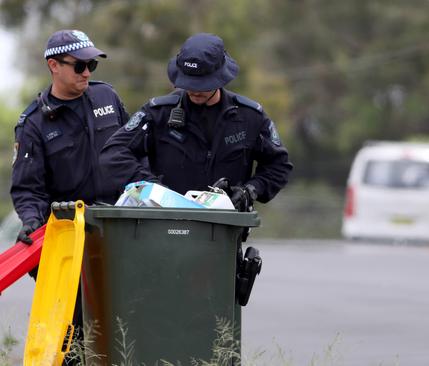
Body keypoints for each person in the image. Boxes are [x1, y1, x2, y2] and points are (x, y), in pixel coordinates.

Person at [11, 29, 128, 364]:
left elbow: (137, 153)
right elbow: (27, 189)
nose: (88, 73)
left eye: (92, 64)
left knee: (124, 328)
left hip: (120, 229)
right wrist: (34, 226)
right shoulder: (33, 123)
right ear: (54, 66)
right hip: (70, 240)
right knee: (73, 339)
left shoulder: (107, 98)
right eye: (79, 66)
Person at [99, 32, 292, 216]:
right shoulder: (158, 113)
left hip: (223, 230)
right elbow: (113, 154)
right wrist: (150, 186)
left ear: (220, 77)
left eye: (202, 84)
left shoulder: (250, 117)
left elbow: (279, 165)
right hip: (164, 226)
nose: (194, 90)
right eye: (189, 82)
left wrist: (250, 191)